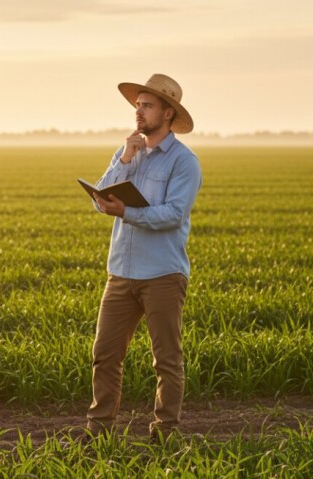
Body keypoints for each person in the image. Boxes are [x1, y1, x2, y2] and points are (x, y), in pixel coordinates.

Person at [86, 73, 202, 441]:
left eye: (147, 105)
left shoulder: (184, 163)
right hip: (121, 272)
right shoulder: (128, 154)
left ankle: (165, 433)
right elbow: (100, 199)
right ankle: (98, 432)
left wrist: (127, 213)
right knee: (105, 355)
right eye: (137, 105)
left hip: (162, 274)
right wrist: (124, 157)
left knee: (166, 360)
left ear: (168, 114)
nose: (139, 111)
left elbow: (173, 214)